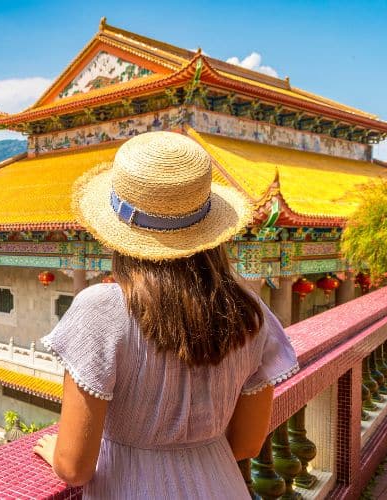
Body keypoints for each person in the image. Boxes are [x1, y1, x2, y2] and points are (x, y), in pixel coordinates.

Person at [33, 131, 298, 498]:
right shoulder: (250, 313)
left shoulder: (102, 310)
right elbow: (247, 444)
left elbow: (75, 468)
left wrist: (56, 455)